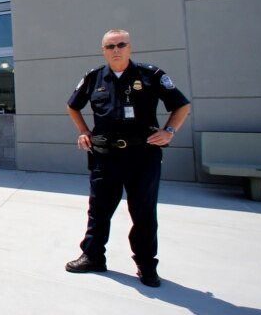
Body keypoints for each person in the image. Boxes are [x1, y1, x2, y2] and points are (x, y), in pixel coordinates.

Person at [64, 29, 191, 287]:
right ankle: (93, 256)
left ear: (130, 47)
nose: (116, 50)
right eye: (110, 46)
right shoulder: (93, 77)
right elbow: (72, 105)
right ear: (103, 50)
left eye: (121, 44)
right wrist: (84, 131)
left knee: (143, 212)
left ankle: (146, 265)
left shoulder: (151, 75)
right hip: (105, 156)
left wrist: (169, 131)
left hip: (142, 156)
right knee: (99, 210)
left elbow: (182, 105)